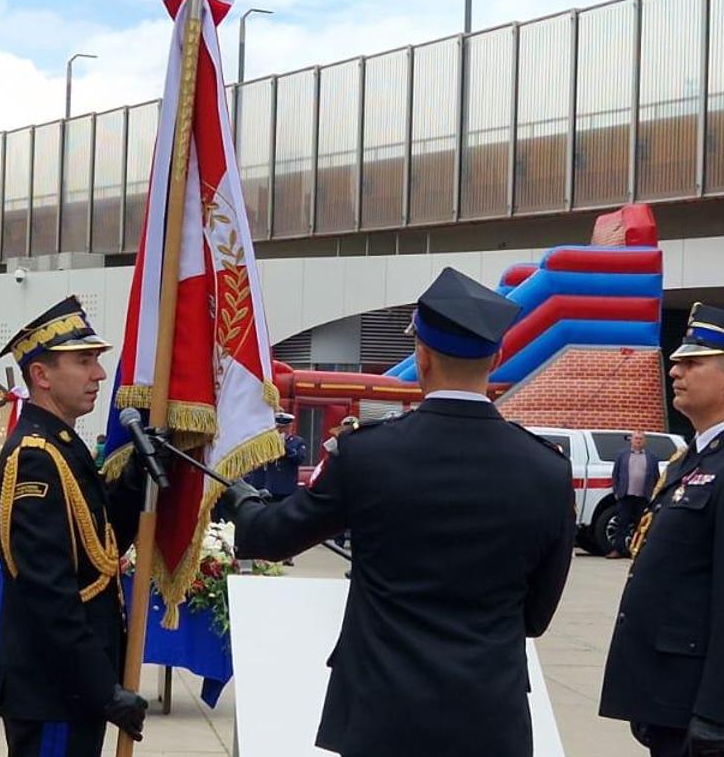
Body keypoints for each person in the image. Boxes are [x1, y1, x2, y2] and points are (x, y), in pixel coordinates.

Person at [226, 268, 574, 757]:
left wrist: (229, 486)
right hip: (488, 720)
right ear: (495, 358)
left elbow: (270, 537)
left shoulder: (369, 455)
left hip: (382, 715)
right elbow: (535, 616)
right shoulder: (547, 470)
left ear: (423, 356)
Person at [600, 304, 724, 757]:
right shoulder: (696, 457)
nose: (674, 370)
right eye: (677, 361)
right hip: (672, 698)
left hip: (708, 712)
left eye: (692, 362)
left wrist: (715, 713)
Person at [0, 296, 149, 757]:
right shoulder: (35, 458)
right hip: (54, 690)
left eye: (96, 361)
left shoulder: (63, 446)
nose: (98, 374)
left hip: (72, 687)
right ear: (41, 376)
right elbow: (47, 592)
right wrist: (104, 690)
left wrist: (139, 474)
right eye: (84, 361)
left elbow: (98, 542)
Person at [609, 430, 658, 559]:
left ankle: (639, 551)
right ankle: (618, 550)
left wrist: (653, 495)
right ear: (631, 440)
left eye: (641, 439)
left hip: (643, 497)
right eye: (636, 438)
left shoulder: (652, 457)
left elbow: (656, 477)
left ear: (645, 441)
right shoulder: (622, 455)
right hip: (625, 496)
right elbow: (615, 475)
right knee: (622, 523)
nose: (638, 441)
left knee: (641, 526)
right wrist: (616, 492)